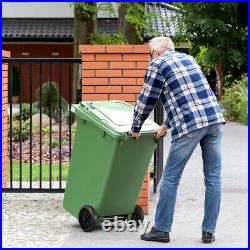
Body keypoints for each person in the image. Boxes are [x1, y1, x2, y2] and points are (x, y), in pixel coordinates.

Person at [129, 37, 225, 244]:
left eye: (150, 53)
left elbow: (147, 99)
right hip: (214, 121)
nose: (150, 57)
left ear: (156, 51)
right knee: (214, 178)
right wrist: (165, 126)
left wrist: (135, 128)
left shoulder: (157, 63)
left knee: (171, 177)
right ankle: (209, 231)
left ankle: (161, 230)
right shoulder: (188, 59)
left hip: (190, 125)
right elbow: (186, 97)